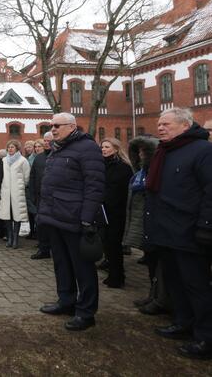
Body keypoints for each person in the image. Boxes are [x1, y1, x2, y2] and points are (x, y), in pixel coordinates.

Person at [143, 108, 212, 360]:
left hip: (190, 232)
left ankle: (206, 337)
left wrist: (206, 226)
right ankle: (183, 323)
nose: (160, 128)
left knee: (197, 285)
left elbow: (210, 190)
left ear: (185, 125)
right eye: (159, 124)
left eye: (166, 124)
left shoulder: (203, 151)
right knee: (174, 282)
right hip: (165, 230)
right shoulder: (164, 151)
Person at [37, 113, 105, 332]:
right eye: (51, 125)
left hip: (75, 218)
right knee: (61, 263)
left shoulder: (87, 148)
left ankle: (86, 312)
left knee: (82, 268)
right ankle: (66, 301)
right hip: (55, 217)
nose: (53, 129)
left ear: (72, 126)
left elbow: (94, 186)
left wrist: (86, 218)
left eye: (57, 126)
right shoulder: (58, 149)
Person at [123, 136, 169, 315]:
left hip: (156, 222)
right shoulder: (139, 172)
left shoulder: (156, 171)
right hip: (143, 220)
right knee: (151, 262)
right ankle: (153, 294)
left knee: (159, 263)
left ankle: (160, 298)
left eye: (144, 152)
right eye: (139, 152)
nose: (141, 155)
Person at [100, 138, 133, 288]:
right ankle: (113, 273)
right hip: (104, 210)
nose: (104, 149)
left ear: (115, 148)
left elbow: (117, 191)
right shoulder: (103, 164)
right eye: (102, 147)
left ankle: (117, 276)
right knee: (107, 244)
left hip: (116, 211)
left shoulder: (123, 167)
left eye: (107, 147)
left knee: (114, 245)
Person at [0, 140, 31, 249]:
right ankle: (10, 237)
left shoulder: (23, 160)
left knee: (17, 215)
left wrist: (20, 185)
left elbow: (26, 176)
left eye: (12, 147)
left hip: (17, 191)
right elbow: (0, 175)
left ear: (17, 148)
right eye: (9, 147)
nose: (10, 149)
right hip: (5, 191)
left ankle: (16, 239)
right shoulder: (4, 160)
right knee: (7, 215)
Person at [29, 135, 52, 259]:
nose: (47, 143)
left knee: (52, 226)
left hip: (54, 198)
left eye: (49, 141)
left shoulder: (58, 155)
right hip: (40, 197)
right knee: (41, 224)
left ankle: (55, 248)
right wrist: (32, 194)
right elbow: (32, 177)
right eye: (46, 141)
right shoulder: (39, 158)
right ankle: (43, 249)